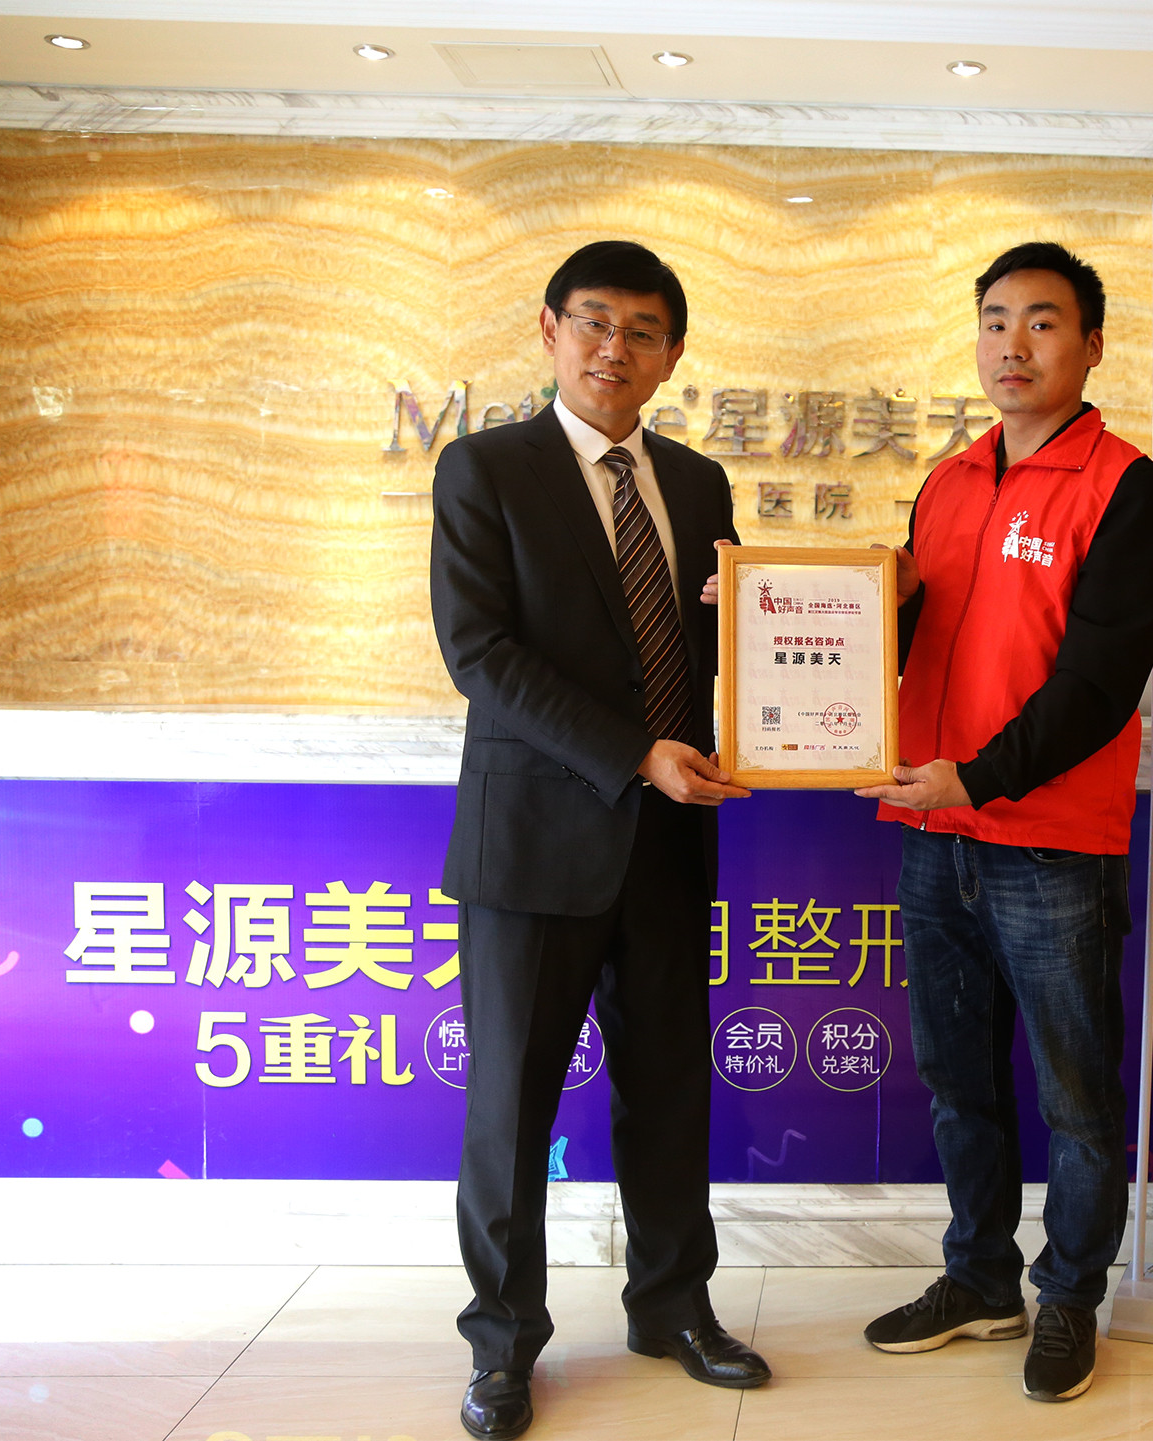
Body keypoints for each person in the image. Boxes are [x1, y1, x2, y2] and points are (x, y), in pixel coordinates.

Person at [430, 240, 770, 1441]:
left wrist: (788, 623)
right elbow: (481, 653)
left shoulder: (700, 482)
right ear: (550, 330)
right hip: (534, 846)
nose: (613, 349)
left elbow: (727, 648)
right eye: (593, 322)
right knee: (512, 1106)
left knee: (670, 1090)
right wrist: (633, 754)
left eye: (641, 331)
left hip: (671, 843)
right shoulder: (485, 469)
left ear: (672, 354)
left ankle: (672, 1306)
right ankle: (502, 1344)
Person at [856, 241, 1153, 1402]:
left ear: (1091, 344)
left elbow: (1097, 685)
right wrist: (797, 613)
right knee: (959, 1082)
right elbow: (910, 644)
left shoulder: (1130, 490)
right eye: (995, 321)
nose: (1013, 344)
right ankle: (981, 1278)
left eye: (1042, 322)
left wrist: (978, 778)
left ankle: (1071, 1296)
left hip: (1050, 846)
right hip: (936, 838)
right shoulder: (948, 482)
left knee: (1076, 1097)